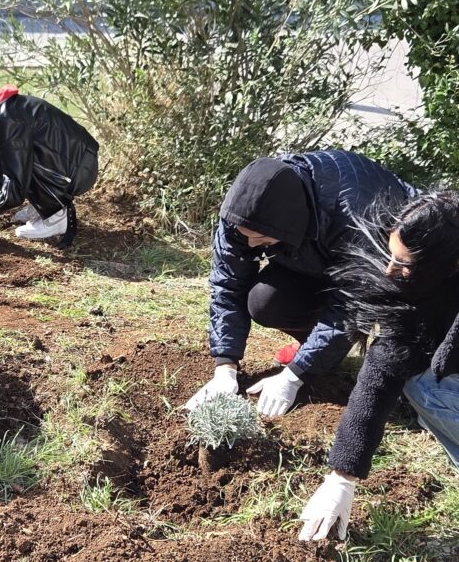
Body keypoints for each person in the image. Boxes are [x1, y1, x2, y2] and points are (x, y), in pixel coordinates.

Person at [185, 150, 416, 417]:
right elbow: (228, 286)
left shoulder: (356, 212)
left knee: (407, 366)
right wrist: (225, 367)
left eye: (260, 237)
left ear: (289, 222)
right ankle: (317, 349)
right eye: (244, 235)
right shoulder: (244, 212)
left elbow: (353, 303)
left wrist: (294, 375)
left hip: (400, 268)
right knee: (266, 302)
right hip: (316, 259)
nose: (250, 244)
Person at [299, 191, 459, 540]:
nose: (390, 270)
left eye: (405, 263)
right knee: (418, 380)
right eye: (392, 256)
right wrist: (342, 476)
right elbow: (382, 372)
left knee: (429, 387)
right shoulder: (422, 292)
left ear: (448, 264)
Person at [0, 76, 99, 246]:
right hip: (69, 165)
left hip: (79, 170)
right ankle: (43, 205)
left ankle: (56, 215)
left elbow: (15, 188)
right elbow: (3, 164)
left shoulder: (7, 117)